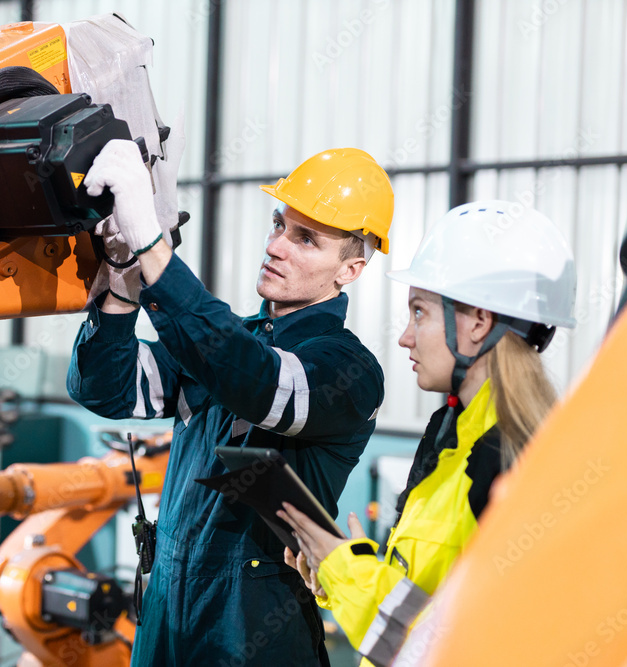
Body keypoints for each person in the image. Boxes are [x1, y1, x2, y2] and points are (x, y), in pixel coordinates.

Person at [67, 137, 395, 666]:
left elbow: (258, 383)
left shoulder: (349, 370)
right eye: (278, 225)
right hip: (166, 618)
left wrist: (153, 245)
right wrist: (123, 283)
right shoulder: (225, 341)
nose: (277, 246)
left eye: (306, 239)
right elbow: (105, 387)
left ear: (349, 270)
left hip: (252, 631)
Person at [277, 200, 577, 667]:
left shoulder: (511, 461)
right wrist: (337, 568)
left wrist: (342, 566)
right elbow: (428, 597)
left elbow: (454, 642)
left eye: (419, 312)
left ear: (477, 322)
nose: (405, 337)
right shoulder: (450, 436)